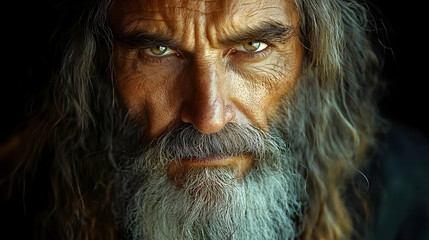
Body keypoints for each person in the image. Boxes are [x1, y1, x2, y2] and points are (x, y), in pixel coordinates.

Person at [0, 0, 428, 239]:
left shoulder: (410, 195)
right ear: (100, 68)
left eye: (255, 46)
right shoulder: (19, 198)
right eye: (158, 53)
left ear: (311, 55)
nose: (208, 116)